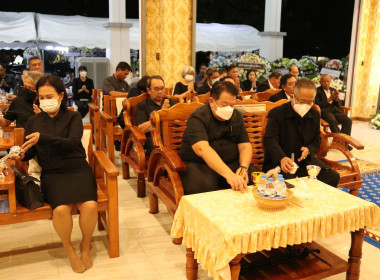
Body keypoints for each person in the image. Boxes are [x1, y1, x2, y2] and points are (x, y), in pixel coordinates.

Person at [17, 75, 98, 273]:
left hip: (77, 169)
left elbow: (72, 142)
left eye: (50, 96)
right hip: (52, 173)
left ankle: (85, 246)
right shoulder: (33, 121)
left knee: (89, 205)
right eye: (41, 97)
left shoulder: (73, 117)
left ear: (61, 95)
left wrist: (42, 138)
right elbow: (32, 152)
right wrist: (22, 154)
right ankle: (69, 249)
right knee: (61, 209)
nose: (45, 101)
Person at [179, 81, 259, 195]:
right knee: (204, 188)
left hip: (231, 163)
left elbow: (245, 145)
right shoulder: (198, 117)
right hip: (200, 165)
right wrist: (229, 175)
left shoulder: (237, 116)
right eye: (224, 104)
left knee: (256, 179)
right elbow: (202, 149)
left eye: (232, 105)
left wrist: (243, 167)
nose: (229, 109)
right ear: (212, 101)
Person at [263, 78, 340, 187]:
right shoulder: (277, 113)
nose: (306, 105)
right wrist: (282, 158)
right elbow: (270, 140)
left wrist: (309, 149)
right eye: (302, 101)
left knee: (332, 176)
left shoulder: (314, 114)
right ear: (292, 96)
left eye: (310, 102)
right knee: (289, 185)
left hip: (305, 162)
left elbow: (316, 139)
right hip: (281, 162)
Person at [137, 75, 177, 156]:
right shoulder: (143, 105)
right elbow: (141, 129)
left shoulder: (172, 102)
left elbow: (180, 121)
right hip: (155, 139)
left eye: (162, 88)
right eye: (156, 89)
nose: (160, 92)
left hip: (173, 136)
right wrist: (161, 113)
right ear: (148, 90)